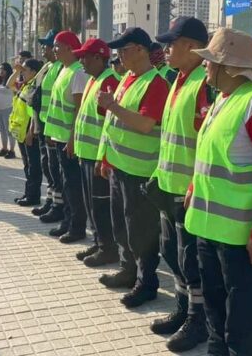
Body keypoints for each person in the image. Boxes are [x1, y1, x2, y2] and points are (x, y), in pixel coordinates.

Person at [184, 28, 252, 356]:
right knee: (215, 304)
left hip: (244, 238)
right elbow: (210, 154)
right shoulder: (223, 100)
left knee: (243, 315)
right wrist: (193, 187)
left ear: (229, 67)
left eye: (210, 62)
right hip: (209, 227)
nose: (204, 67)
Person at [95, 27, 170, 308]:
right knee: (122, 225)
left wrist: (112, 105)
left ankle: (146, 282)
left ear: (140, 50)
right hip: (119, 166)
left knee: (141, 230)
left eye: (124, 51)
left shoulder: (156, 83)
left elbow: (144, 124)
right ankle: (128, 271)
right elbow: (113, 124)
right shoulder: (128, 78)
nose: (119, 56)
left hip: (140, 171)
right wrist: (106, 158)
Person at [150, 17, 212, 352]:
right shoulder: (179, 79)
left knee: (191, 259)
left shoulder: (206, 81)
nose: (165, 50)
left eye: (171, 43)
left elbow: (207, 140)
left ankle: (198, 320)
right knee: (171, 252)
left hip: (190, 190)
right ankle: (182, 308)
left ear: (190, 45)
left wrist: (193, 185)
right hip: (168, 184)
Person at [71, 38, 121, 266]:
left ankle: (107, 248)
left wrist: (105, 157)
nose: (81, 61)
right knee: (91, 203)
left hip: (98, 156)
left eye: (85, 57)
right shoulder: (94, 79)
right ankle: (98, 240)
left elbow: (110, 125)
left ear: (99, 57)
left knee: (101, 204)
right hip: (87, 153)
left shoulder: (109, 82)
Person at [43, 31, 89, 243]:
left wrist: (72, 139)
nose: (54, 50)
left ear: (71, 48)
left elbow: (78, 110)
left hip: (69, 141)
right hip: (59, 137)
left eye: (58, 46)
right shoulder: (64, 69)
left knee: (73, 186)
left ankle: (76, 227)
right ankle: (68, 222)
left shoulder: (78, 72)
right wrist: (52, 133)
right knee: (65, 183)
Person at [30, 30, 65, 217]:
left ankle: (58, 206)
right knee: (48, 166)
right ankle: (51, 200)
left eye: (47, 45)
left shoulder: (60, 67)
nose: (43, 48)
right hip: (44, 124)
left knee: (54, 168)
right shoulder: (49, 66)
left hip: (53, 127)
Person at [10, 59, 43, 209]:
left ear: (34, 72)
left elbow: (32, 113)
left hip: (29, 134)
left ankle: (33, 196)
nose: (23, 72)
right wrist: (16, 71)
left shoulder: (34, 87)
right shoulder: (26, 85)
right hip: (21, 133)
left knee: (33, 166)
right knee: (26, 165)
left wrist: (31, 132)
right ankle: (28, 193)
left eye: (26, 70)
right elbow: (9, 85)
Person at [0, 63, 17, 159]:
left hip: (8, 108)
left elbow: (14, 93)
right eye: (0, 69)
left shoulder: (12, 81)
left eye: (3, 69)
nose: (1, 71)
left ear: (8, 70)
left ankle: (12, 150)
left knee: (9, 130)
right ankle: (4, 148)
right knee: (2, 130)